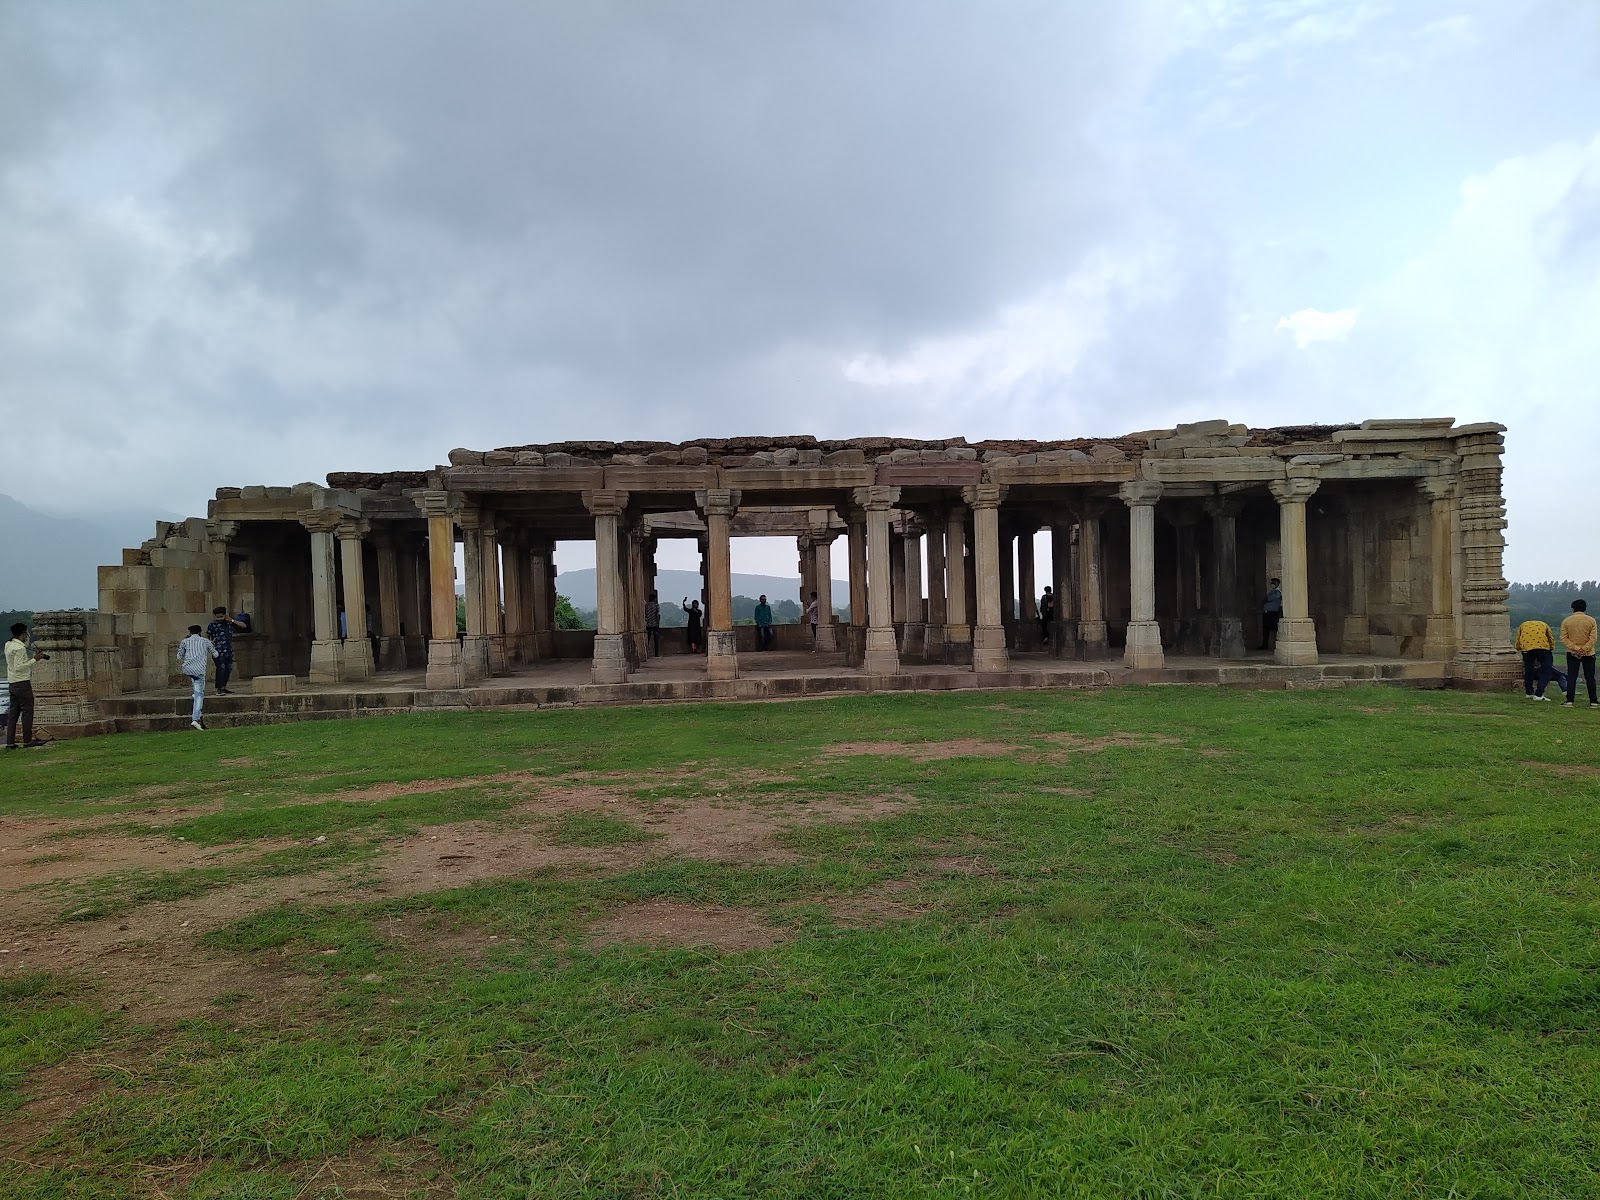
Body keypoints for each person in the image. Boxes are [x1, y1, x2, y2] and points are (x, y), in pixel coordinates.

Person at [4, 622, 49, 750]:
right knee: (27, 712)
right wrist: (35, 659)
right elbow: (20, 667)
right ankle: (28, 740)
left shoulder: (8, 645)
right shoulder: (20, 648)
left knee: (13, 714)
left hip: (12, 683)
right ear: (23, 634)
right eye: (26, 633)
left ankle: (10, 742)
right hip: (22, 682)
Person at [177, 624, 218, 731]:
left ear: (190, 632)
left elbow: (179, 656)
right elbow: (216, 654)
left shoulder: (185, 641)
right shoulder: (205, 641)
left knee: (196, 692)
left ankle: (200, 719)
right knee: (200, 695)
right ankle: (195, 719)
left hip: (187, 669)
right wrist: (212, 646)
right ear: (200, 632)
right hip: (199, 670)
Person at [1514, 616, 1566, 701]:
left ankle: (1529, 693)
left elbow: (1518, 638)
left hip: (1527, 649)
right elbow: (1550, 637)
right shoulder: (1544, 625)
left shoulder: (1523, 625)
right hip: (1542, 648)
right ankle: (1539, 694)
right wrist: (1551, 647)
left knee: (1528, 670)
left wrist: (1520, 649)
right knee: (1547, 670)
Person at [1559, 598, 1598, 709]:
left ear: (1573, 608)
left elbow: (1563, 638)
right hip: (1589, 653)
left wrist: (1575, 648)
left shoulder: (1566, 621)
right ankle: (1593, 701)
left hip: (1572, 653)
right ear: (1585, 608)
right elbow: (1593, 638)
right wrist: (1584, 649)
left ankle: (1570, 700)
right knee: (1590, 677)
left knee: (1572, 676)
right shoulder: (1591, 620)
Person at [206, 606, 248, 695]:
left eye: (221, 616)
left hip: (228, 650)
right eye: (217, 617)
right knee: (221, 668)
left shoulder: (229, 623)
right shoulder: (212, 625)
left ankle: (224, 686)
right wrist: (210, 642)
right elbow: (207, 634)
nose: (219, 619)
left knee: (228, 668)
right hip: (217, 650)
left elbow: (243, 625)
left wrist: (232, 620)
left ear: (225, 615)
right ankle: (218, 688)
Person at [1262, 578, 1283, 650]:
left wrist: (1266, 599)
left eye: (1274, 583)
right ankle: (1264, 645)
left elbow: (1268, 599)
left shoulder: (1277, 592)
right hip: (1267, 612)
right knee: (1265, 629)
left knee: (1273, 628)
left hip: (1272, 613)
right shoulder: (1271, 591)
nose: (1272, 584)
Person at [644, 591, 661, 658]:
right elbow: (657, 615)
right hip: (655, 624)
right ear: (654, 599)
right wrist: (658, 623)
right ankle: (656, 654)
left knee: (647, 639)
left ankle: (647, 653)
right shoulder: (656, 605)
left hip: (648, 624)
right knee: (656, 640)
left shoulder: (646, 605)